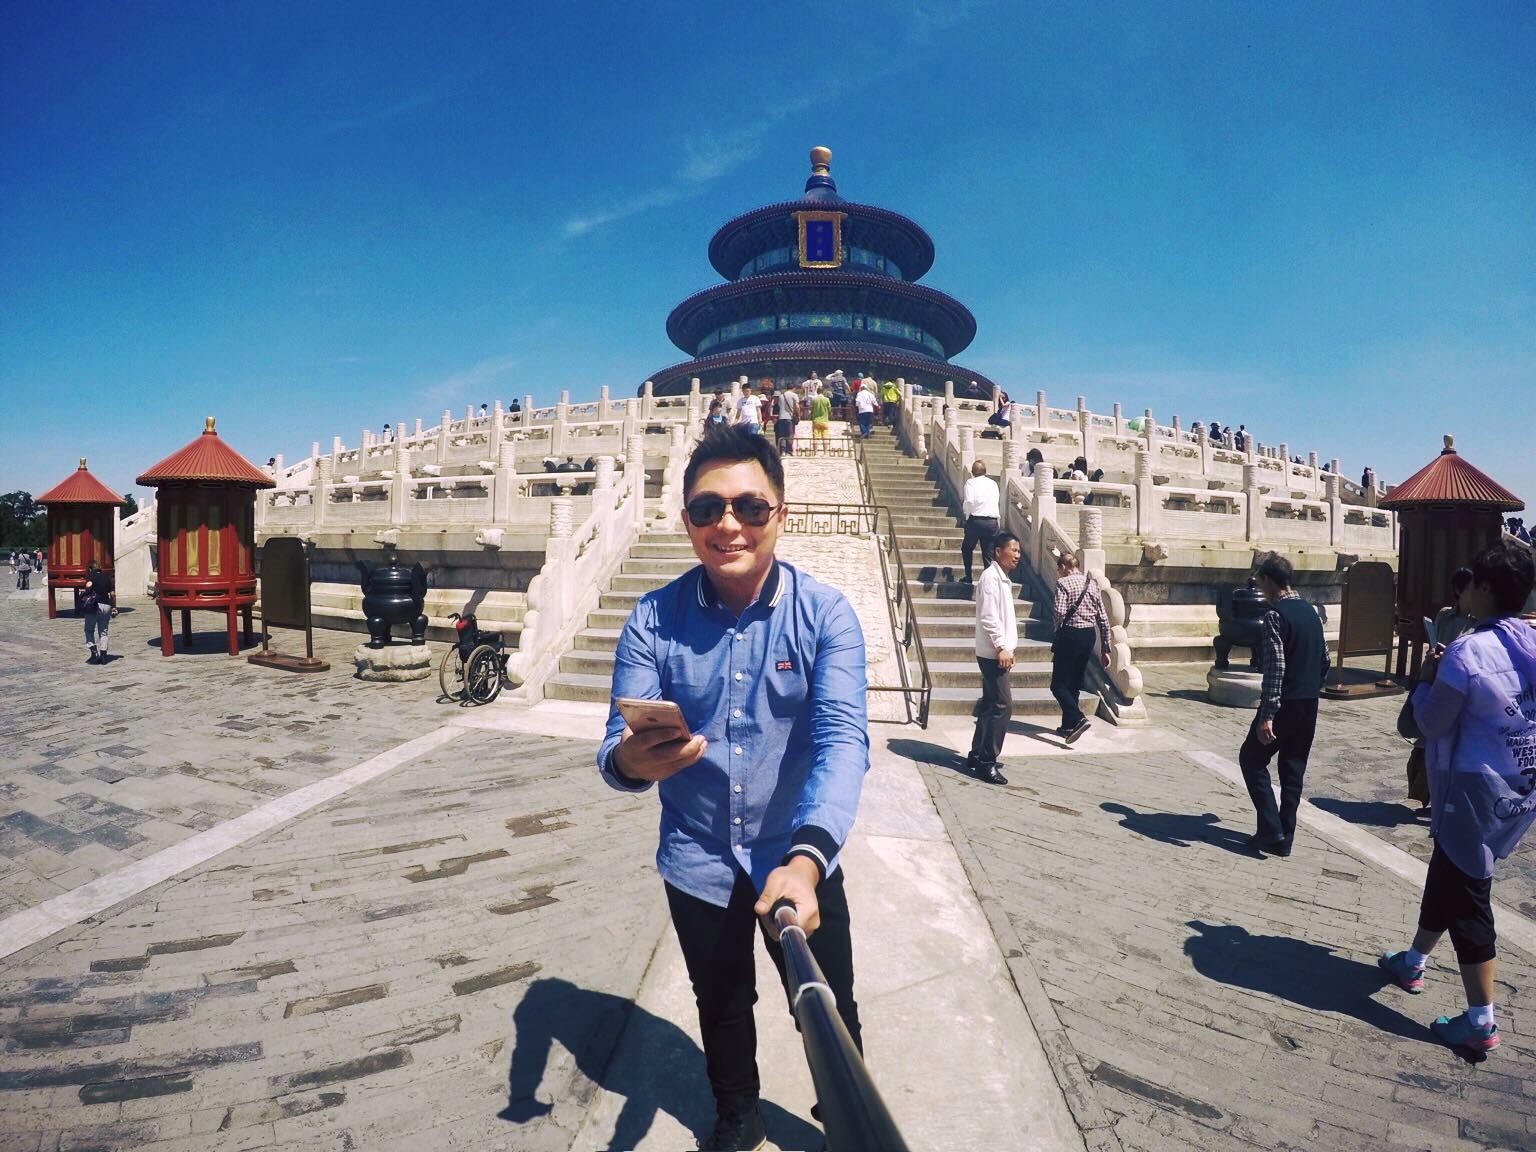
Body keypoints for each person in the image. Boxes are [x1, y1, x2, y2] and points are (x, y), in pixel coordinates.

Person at [599, 425, 868, 1150]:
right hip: (697, 854)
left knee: (828, 1004)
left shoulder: (826, 615)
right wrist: (633, 764)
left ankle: (846, 1125)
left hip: (795, 855)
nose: (729, 524)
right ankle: (737, 1117)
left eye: (750, 507)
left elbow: (844, 743)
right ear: (685, 519)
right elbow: (613, 750)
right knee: (720, 1004)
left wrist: (808, 862)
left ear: (782, 514)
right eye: (707, 508)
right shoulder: (652, 619)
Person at [1378, 540, 1536, 1057]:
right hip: (1519, 780)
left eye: (1469, 584)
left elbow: (1430, 723)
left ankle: (1480, 1020)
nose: (1463, 591)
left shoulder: (1468, 651)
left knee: (1469, 897)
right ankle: (1413, 962)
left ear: (1485, 588)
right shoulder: (1530, 642)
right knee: (1448, 872)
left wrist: (1426, 678)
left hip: (1470, 787)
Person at [1238, 553, 1329, 857]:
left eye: (1260, 583)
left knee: (1251, 759)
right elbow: (1325, 660)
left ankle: (1271, 828)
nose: (1259, 589)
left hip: (1284, 704)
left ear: (1267, 581)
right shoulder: (1313, 613)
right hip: (1309, 701)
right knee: (1293, 770)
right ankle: (1284, 838)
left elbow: (1275, 669)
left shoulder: (1275, 616)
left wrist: (1267, 715)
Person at [1406, 567, 1478, 812]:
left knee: (1453, 748)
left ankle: (1448, 799)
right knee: (1427, 745)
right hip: (1437, 681)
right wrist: (1433, 654)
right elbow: (1434, 640)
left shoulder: (1480, 623)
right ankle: (1431, 796)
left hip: (1461, 690)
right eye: (1470, 588)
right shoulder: (1445, 616)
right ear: (1459, 590)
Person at [967, 532, 1021, 785]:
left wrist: (1008, 646)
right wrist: (1001, 646)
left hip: (998, 651)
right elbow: (989, 617)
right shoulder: (990, 578)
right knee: (1002, 705)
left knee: (990, 704)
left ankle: (977, 752)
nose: (1017, 555)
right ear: (998, 551)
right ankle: (987, 761)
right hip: (992, 653)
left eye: (1019, 551)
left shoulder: (1002, 579)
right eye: (1013, 550)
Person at [1050, 553, 1110, 743]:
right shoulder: (1092, 584)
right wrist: (1105, 648)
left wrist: (1056, 632)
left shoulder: (1063, 583)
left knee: (1058, 685)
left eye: (1059, 569)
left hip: (1070, 634)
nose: (1059, 574)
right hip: (1088, 636)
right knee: (1074, 682)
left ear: (1065, 566)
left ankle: (1077, 717)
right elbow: (1103, 618)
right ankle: (1068, 726)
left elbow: (1059, 612)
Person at [959, 460, 1000, 583]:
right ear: (985, 472)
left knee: (967, 548)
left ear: (972, 472)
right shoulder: (993, 484)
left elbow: (969, 502)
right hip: (992, 522)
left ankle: (968, 576)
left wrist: (966, 517)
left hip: (976, 520)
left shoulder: (970, 483)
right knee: (988, 554)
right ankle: (989, 581)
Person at [81, 561, 117, 664]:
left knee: (89, 630)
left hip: (94, 606)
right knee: (103, 631)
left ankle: (94, 652)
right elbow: (113, 594)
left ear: (90, 569)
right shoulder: (107, 577)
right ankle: (104, 655)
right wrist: (114, 607)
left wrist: (86, 591)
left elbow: (89, 585)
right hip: (107, 606)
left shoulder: (90, 575)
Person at [773, 382, 798, 457]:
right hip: (789, 417)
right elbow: (797, 406)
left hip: (781, 418)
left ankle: (783, 451)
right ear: (794, 388)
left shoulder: (781, 396)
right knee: (789, 434)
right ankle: (789, 450)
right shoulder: (794, 395)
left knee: (782, 435)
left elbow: (780, 406)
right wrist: (798, 414)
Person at [807, 384, 831, 453]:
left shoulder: (814, 399)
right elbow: (829, 409)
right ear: (823, 392)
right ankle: (825, 452)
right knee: (825, 436)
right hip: (825, 421)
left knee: (815, 437)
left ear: (817, 392)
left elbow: (811, 409)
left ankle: (815, 452)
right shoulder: (826, 399)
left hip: (816, 420)